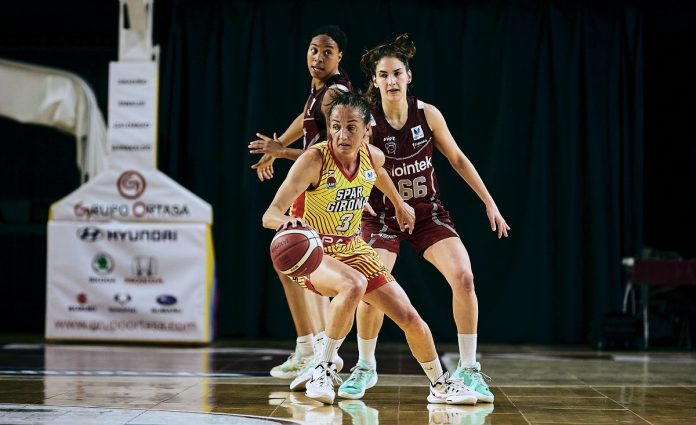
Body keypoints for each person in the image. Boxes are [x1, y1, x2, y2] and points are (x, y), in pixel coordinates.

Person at [262, 92, 479, 406]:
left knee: (409, 317)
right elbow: (270, 214)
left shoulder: (373, 156)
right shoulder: (313, 160)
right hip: (312, 253)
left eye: (351, 127)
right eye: (335, 126)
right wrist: (295, 226)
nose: (342, 134)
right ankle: (322, 369)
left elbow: (377, 174)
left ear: (366, 131)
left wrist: (399, 203)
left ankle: (440, 385)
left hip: (352, 248)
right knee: (353, 284)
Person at [337, 34, 510, 403]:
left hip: (428, 212)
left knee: (463, 276)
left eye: (397, 73)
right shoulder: (366, 121)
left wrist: (489, 202)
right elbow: (351, 162)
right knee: (372, 289)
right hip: (382, 216)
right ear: (376, 81)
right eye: (384, 75)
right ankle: (365, 366)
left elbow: (459, 160)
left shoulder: (427, 114)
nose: (392, 80)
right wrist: (360, 199)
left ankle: (469, 369)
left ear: (409, 76)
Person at [249, 25, 353, 379]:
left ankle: (318, 350)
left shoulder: (334, 94)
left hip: (322, 188)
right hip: (317, 187)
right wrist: (279, 144)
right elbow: (305, 120)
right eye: (313, 50)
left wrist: (280, 152)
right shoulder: (318, 92)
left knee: (299, 262)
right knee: (291, 262)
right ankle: (311, 348)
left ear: (340, 57)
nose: (318, 57)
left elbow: (324, 151)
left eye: (327, 51)